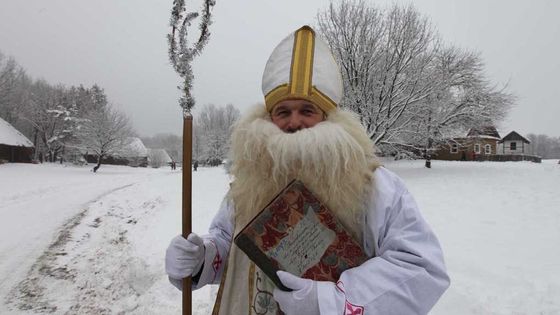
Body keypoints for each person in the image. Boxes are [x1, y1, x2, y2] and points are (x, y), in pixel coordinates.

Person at [165, 26, 449, 315]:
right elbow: (230, 244)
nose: (294, 122)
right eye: (283, 112)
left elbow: (421, 267)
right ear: (269, 116)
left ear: (327, 116)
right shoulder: (250, 180)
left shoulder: (372, 184)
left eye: (307, 110)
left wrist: (328, 301)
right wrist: (202, 257)